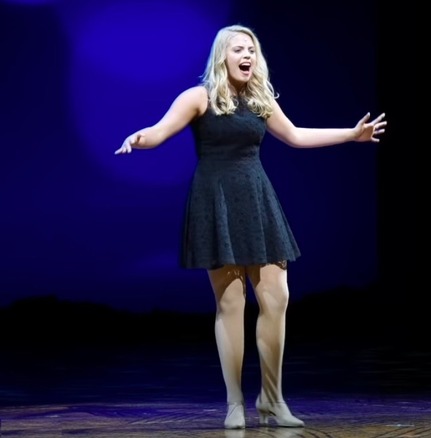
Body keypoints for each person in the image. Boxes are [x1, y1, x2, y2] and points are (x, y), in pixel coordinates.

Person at [115, 23, 387, 429]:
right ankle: (234, 403)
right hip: (216, 200)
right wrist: (141, 138)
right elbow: (160, 130)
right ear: (222, 56)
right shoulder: (200, 97)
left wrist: (351, 134)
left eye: (252, 50)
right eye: (239, 49)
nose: (247, 56)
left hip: (257, 199)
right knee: (231, 304)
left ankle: (272, 400)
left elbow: (295, 135)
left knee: (277, 297)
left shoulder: (261, 99)